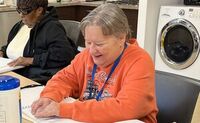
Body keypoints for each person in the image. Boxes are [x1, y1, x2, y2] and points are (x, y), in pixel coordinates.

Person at [31, 3, 158, 122]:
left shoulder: (140, 61)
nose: (91, 50)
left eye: (99, 44)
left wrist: (62, 109)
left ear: (121, 38)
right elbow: (64, 79)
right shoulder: (86, 56)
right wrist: (49, 97)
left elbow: (126, 107)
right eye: (88, 42)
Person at [0, 0, 78, 84]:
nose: (21, 15)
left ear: (39, 10)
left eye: (25, 11)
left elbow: (64, 54)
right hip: (12, 73)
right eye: (19, 11)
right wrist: (3, 51)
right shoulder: (19, 25)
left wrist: (30, 60)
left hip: (33, 79)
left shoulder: (52, 27)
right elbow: (14, 44)